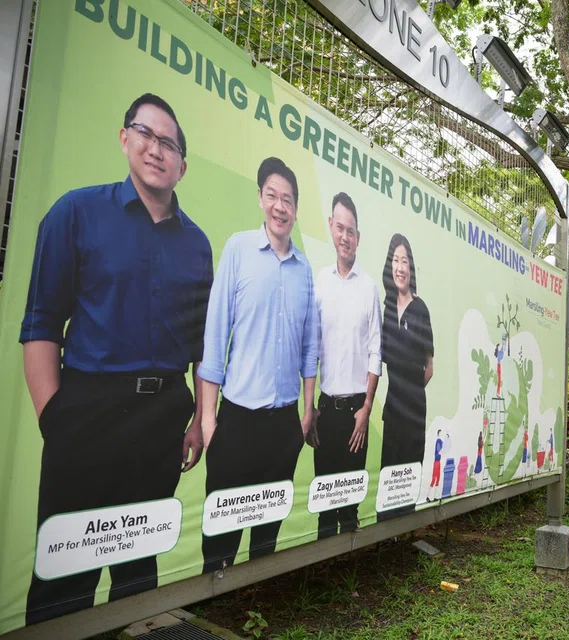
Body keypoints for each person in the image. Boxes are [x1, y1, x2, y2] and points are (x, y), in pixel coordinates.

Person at [19, 93, 212, 623]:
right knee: (64, 579)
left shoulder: (197, 245)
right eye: (145, 133)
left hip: (161, 423)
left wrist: (198, 416)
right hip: (86, 414)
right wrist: (54, 419)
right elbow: (40, 324)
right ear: (124, 138)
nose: (157, 149)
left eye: (169, 143)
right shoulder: (75, 214)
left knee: (139, 574)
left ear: (183, 166)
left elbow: (200, 344)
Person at [197, 158, 319, 572]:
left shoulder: (305, 270)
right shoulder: (238, 249)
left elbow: (309, 348)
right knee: (220, 535)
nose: (280, 206)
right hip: (236, 421)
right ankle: (207, 617)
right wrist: (208, 421)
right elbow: (215, 337)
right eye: (272, 195)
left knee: (266, 534)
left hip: (284, 425)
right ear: (260, 198)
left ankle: (256, 613)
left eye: (287, 199)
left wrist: (305, 413)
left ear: (297, 208)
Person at [309, 192, 381, 538]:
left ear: (358, 237)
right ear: (330, 227)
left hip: (356, 414)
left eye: (351, 231)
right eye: (340, 228)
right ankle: (322, 585)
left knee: (349, 503)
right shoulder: (319, 283)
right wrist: (309, 408)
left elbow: (375, 352)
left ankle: (352, 581)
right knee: (324, 501)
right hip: (325, 411)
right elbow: (312, 349)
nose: (345, 237)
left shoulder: (368, 288)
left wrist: (366, 408)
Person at [377, 234, 434, 521]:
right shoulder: (385, 308)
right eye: (395, 260)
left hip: (413, 411)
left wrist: (410, 391)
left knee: (408, 478)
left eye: (405, 261)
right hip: (392, 409)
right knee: (388, 479)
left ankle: (403, 538)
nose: (400, 267)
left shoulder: (420, 308)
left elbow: (429, 367)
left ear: (411, 268)